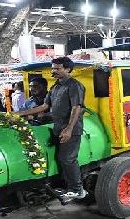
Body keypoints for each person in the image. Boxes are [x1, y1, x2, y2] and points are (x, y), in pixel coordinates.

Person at [17, 57, 86, 203]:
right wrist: (19, 114)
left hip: (71, 129)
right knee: (61, 158)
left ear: (67, 69)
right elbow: (44, 107)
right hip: (58, 127)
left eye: (57, 68)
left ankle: (77, 190)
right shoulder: (55, 87)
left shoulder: (74, 86)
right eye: (53, 68)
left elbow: (76, 107)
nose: (53, 71)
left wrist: (69, 129)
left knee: (68, 158)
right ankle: (69, 187)